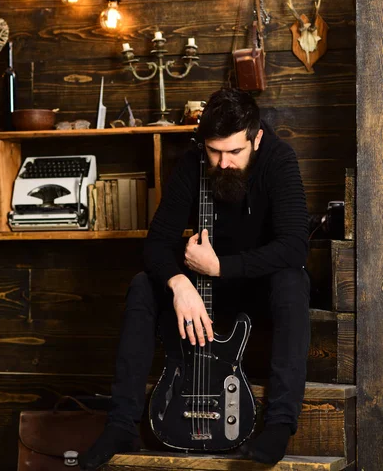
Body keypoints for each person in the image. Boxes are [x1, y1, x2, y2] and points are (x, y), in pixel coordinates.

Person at [78, 87, 310, 469]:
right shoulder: (193, 163)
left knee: (292, 281)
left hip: (256, 291)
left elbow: (294, 247)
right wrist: (179, 283)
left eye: (234, 152)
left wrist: (220, 267)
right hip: (200, 291)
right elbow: (157, 244)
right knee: (141, 285)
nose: (223, 163)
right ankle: (121, 424)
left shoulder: (279, 159)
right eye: (214, 151)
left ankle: (281, 425)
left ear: (257, 138)